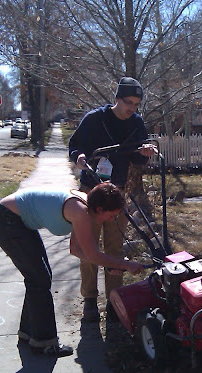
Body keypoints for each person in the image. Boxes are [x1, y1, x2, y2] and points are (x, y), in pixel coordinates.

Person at [0, 182, 144, 357]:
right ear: (100, 209)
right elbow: (92, 255)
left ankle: (29, 332)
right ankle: (44, 342)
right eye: (111, 215)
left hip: (16, 221)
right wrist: (125, 265)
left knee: (39, 278)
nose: (111, 220)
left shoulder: (85, 208)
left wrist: (110, 265)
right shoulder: (80, 211)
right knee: (39, 280)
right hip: (6, 221)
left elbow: (76, 250)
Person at [68, 77, 156, 322]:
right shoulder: (95, 120)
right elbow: (74, 145)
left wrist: (145, 154)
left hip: (117, 191)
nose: (132, 108)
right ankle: (89, 299)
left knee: (115, 247)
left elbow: (137, 159)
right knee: (88, 246)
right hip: (91, 190)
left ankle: (114, 299)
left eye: (136, 104)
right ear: (117, 98)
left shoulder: (136, 124)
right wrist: (79, 157)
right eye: (128, 102)